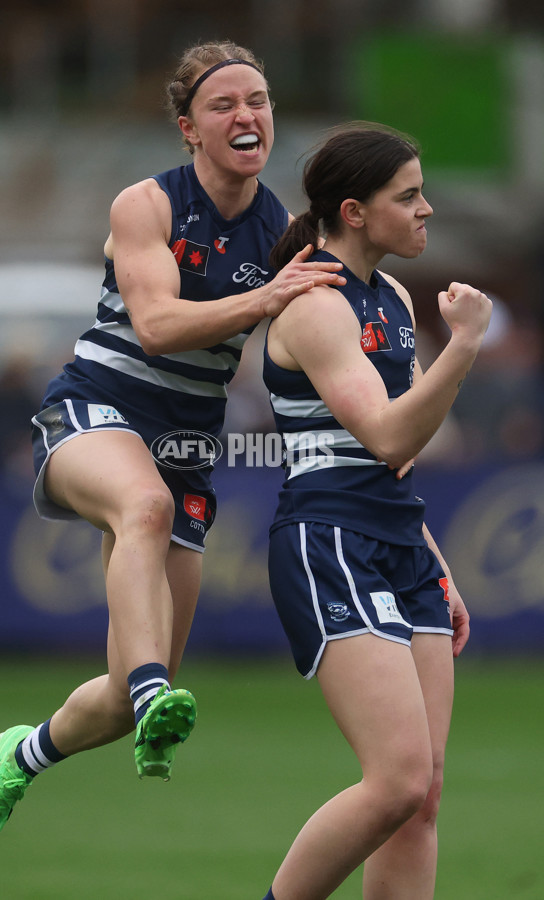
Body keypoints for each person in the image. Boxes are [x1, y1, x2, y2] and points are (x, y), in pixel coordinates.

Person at [0, 40, 345, 858]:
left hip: (185, 445)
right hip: (94, 411)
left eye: (260, 101)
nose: (247, 115)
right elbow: (158, 327)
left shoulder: (282, 229)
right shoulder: (147, 204)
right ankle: (153, 685)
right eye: (224, 104)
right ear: (188, 130)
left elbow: (309, 341)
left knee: (131, 695)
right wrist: (271, 296)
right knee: (145, 508)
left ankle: (20, 755)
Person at [260, 123, 492, 900]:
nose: (426, 208)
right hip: (330, 537)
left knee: (421, 797)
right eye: (410, 195)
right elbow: (390, 429)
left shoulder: (389, 296)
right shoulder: (316, 303)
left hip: (398, 537)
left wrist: (433, 555)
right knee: (393, 782)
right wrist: (462, 348)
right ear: (354, 212)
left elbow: (404, 453)